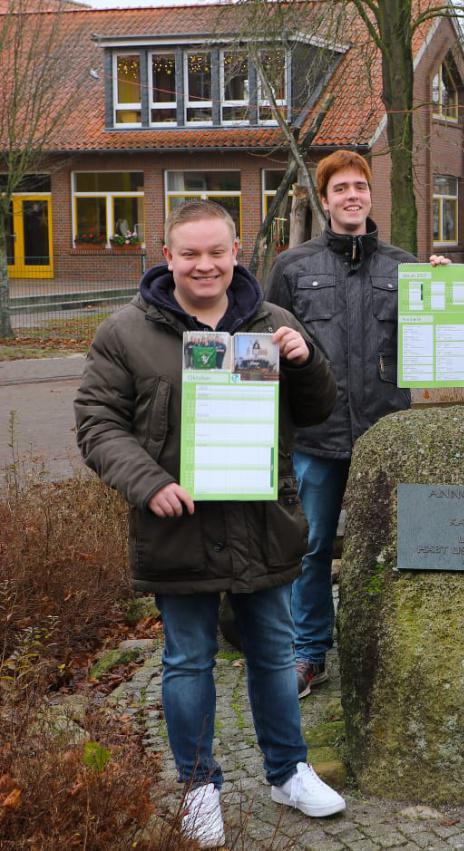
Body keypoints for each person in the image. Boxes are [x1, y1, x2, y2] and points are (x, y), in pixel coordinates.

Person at [75, 201, 345, 848]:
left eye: (216, 252)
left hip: (261, 521)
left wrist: (305, 359)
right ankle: (199, 787)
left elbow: (319, 408)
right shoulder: (125, 333)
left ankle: (289, 770)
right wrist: (149, 482)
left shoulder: (272, 323)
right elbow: (96, 423)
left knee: (276, 654)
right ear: (167, 257)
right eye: (190, 253)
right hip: (178, 524)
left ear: (236, 252)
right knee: (188, 659)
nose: (204, 265)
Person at [266, 150, 417, 698]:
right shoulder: (293, 268)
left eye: (361, 186)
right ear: (324, 200)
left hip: (385, 430)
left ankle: (388, 648)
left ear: (371, 195)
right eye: (341, 189)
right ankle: (310, 653)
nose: (352, 196)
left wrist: (445, 294)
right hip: (315, 434)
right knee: (310, 546)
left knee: (393, 545)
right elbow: (265, 347)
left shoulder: (405, 267)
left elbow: (435, 339)